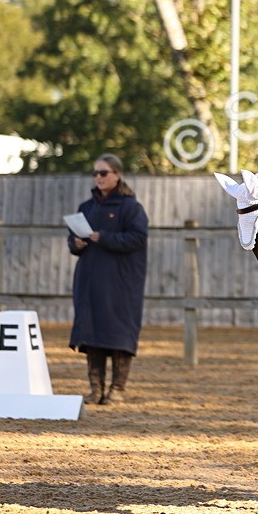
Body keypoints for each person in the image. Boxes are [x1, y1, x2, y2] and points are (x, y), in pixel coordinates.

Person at [67, 154, 149, 404]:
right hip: (90, 281)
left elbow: (137, 238)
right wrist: (77, 242)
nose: (98, 178)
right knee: (91, 334)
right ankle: (96, 389)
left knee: (118, 334)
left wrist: (103, 237)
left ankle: (117, 389)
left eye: (103, 173)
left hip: (120, 283)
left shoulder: (130, 208)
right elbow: (71, 243)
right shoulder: (87, 207)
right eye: (95, 173)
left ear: (117, 175)